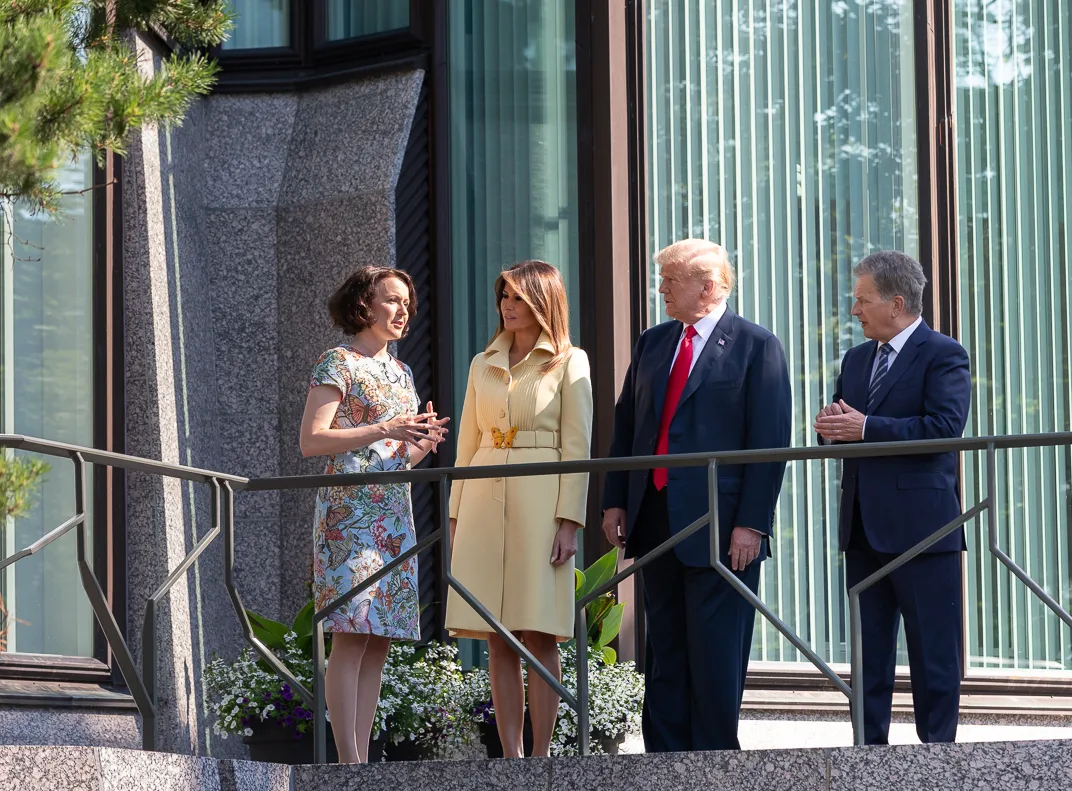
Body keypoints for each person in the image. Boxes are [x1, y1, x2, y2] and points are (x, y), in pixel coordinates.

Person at [601, 238, 791, 752]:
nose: (661, 288)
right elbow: (628, 425)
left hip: (723, 526)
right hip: (655, 515)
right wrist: (615, 499)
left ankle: (713, 765)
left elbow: (768, 444)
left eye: (671, 280)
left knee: (715, 653)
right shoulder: (653, 342)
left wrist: (752, 523)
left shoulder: (756, 345)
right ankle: (663, 763)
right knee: (664, 650)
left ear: (708, 286)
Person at [812, 250, 971, 746]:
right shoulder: (857, 359)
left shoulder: (944, 353)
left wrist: (866, 428)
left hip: (925, 532)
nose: (854, 310)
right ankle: (866, 757)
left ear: (896, 302)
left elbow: (945, 429)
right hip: (862, 528)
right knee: (868, 655)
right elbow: (848, 433)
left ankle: (939, 761)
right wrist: (832, 431)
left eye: (861, 300)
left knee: (934, 657)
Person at [299, 265, 450, 764]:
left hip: (392, 513)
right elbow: (312, 440)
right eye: (392, 300)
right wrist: (384, 426)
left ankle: (363, 759)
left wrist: (421, 444)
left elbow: (393, 455)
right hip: (349, 513)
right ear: (363, 306)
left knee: (378, 637)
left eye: (407, 302)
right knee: (350, 632)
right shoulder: (337, 362)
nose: (403, 310)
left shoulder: (402, 371)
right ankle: (348, 762)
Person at [445, 260, 593, 758]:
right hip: (483, 496)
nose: (507, 306)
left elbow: (578, 446)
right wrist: (455, 514)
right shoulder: (480, 362)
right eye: (503, 297)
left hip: (541, 500)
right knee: (497, 634)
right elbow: (466, 444)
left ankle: (541, 756)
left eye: (518, 297)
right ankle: (509, 757)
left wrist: (569, 520)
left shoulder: (571, 361)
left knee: (539, 629)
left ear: (542, 301)